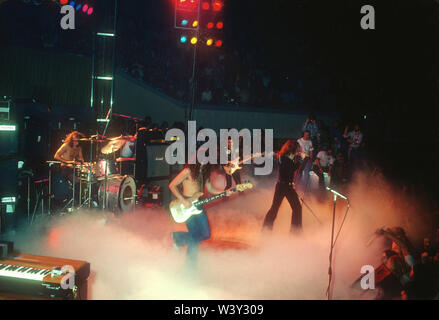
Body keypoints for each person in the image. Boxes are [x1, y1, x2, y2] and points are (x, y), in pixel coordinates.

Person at [169, 162, 232, 267]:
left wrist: (224, 192)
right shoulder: (187, 171)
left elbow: (210, 188)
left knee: (206, 234)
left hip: (198, 205)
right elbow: (172, 185)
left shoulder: (204, 172)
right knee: (194, 237)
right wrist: (183, 201)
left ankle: (178, 237)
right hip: (187, 205)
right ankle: (190, 267)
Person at [262, 139, 303, 233]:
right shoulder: (283, 158)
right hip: (282, 186)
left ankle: (295, 232)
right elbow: (291, 169)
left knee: (296, 207)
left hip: (287, 186)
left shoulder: (288, 158)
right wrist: (300, 159)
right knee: (275, 208)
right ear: (292, 148)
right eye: (298, 149)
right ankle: (266, 230)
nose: (299, 151)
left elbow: (292, 169)